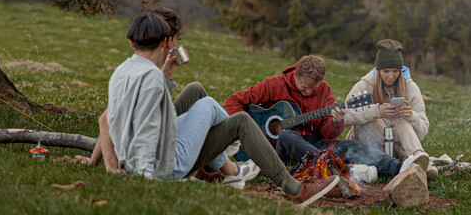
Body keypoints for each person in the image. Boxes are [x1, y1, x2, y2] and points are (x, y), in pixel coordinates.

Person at [97, 11, 340, 206]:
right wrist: (148, 180)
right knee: (229, 115)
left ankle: (220, 164)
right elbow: (149, 139)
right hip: (165, 165)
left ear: (131, 42)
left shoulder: (123, 71)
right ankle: (294, 189)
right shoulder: (150, 78)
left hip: (136, 161)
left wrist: (113, 168)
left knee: (197, 92)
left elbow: (106, 120)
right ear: (167, 41)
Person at [82, 7, 248, 187]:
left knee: (196, 90)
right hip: (156, 160)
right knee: (207, 105)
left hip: (151, 148)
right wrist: (108, 165)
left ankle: (215, 163)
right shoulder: (141, 74)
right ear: (164, 40)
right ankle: (230, 162)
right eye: (174, 39)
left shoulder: (132, 69)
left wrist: (164, 74)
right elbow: (106, 120)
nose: (174, 45)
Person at [224, 55, 428, 178]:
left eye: (313, 89)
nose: (308, 93)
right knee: (287, 135)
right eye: (304, 88)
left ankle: (400, 167)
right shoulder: (274, 85)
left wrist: (336, 121)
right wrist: (250, 132)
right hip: (276, 149)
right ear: (295, 74)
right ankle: (341, 169)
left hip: (314, 144)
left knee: (352, 147)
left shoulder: (324, 91)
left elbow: (327, 132)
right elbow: (233, 101)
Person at [342, 39, 436, 178]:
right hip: (369, 144)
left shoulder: (410, 87)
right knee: (372, 119)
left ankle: (418, 157)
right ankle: (408, 161)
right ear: (378, 70)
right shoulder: (366, 84)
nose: (391, 76)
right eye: (386, 71)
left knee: (403, 123)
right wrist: (376, 111)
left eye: (395, 71)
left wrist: (411, 115)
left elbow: (422, 132)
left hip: (396, 142)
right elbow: (344, 117)